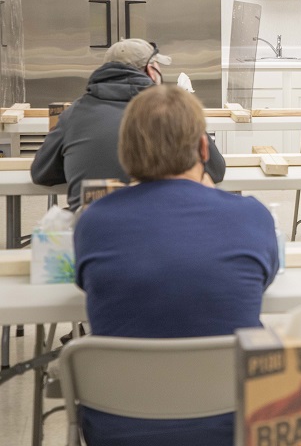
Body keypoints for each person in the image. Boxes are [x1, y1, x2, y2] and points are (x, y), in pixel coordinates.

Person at [74, 85, 280, 446]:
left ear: (125, 153)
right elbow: (260, 281)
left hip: (117, 426)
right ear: (203, 148)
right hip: (233, 421)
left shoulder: (94, 221)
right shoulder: (250, 216)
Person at [30, 38, 226, 211]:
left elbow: (41, 173)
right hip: (161, 224)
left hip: (92, 231)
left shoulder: (73, 113)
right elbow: (215, 170)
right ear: (151, 70)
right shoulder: (172, 113)